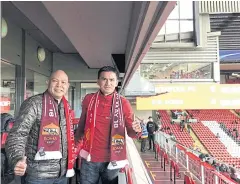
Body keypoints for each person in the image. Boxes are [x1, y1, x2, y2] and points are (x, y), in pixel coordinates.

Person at [74, 66, 142, 184]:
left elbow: (132, 133)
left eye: (111, 80)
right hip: (89, 158)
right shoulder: (88, 99)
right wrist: (74, 149)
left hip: (113, 160)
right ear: (98, 81)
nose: (108, 83)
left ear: (116, 82)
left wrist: (137, 130)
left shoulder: (123, 103)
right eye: (104, 79)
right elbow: (81, 127)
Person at [5, 70, 75, 184]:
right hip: (37, 176)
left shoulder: (66, 106)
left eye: (63, 82)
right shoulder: (34, 104)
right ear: (48, 82)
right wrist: (17, 159)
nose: (59, 85)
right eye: (55, 81)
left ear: (67, 86)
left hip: (62, 174)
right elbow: (18, 134)